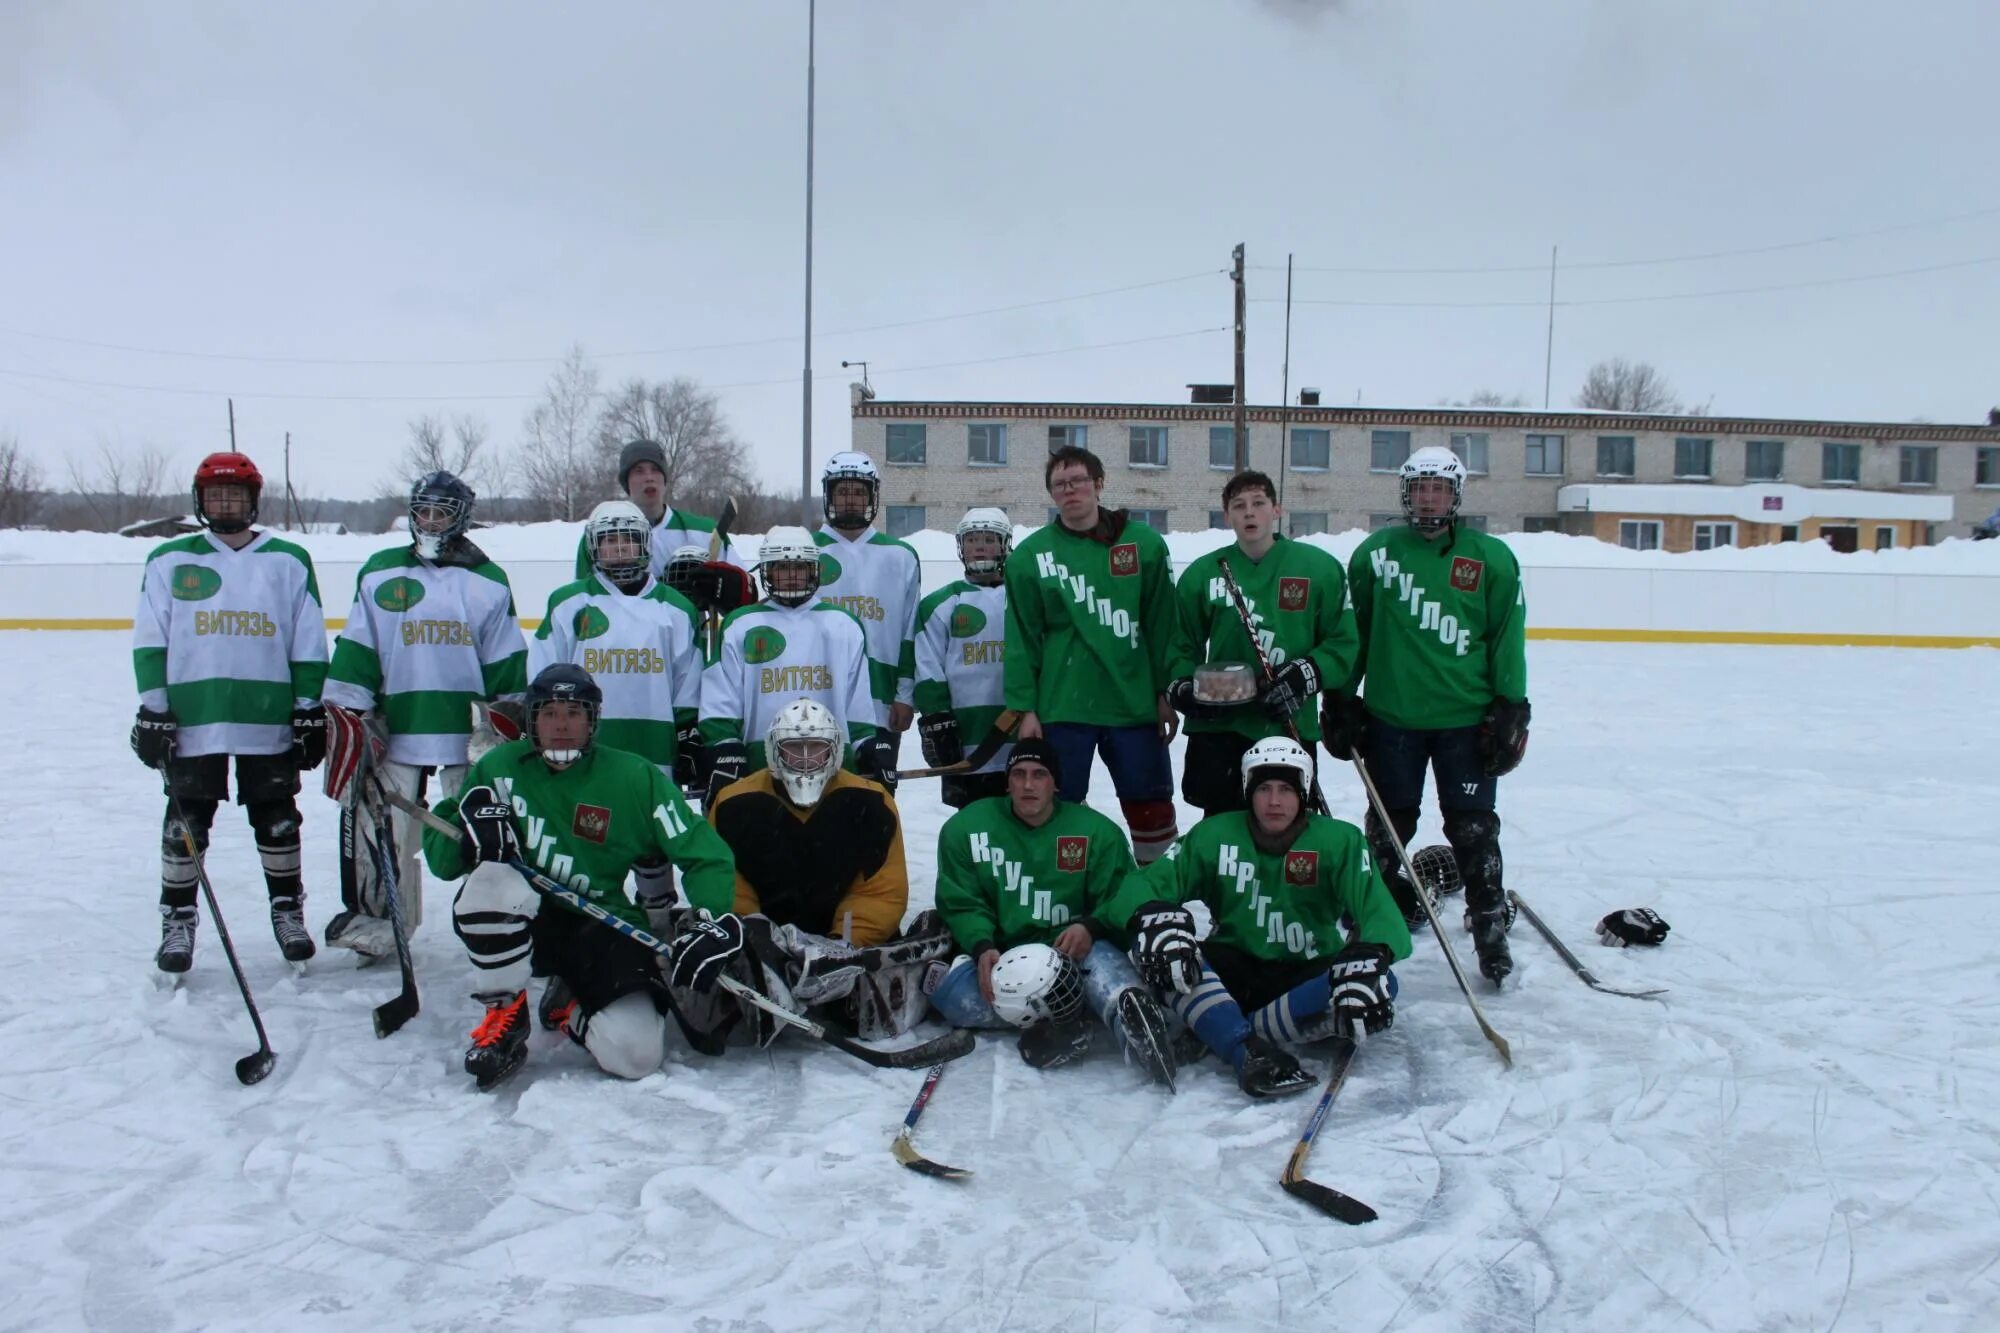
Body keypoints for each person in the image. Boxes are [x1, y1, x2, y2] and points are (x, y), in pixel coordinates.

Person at [427, 664, 738, 1089]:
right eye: (549, 713)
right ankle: (505, 1010)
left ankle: (565, 1007)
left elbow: (705, 855)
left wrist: (709, 917)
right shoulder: (499, 768)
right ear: (531, 719)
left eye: (574, 712)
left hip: (601, 922)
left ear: (593, 720)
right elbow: (443, 861)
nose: (561, 725)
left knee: (636, 1056)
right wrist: (466, 840)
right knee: (489, 883)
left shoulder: (634, 777)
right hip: (526, 918)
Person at [1321, 446, 1529, 983]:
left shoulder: (1491, 558)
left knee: (1475, 830)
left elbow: (1506, 639)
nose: (1427, 498)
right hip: (1394, 721)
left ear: (1455, 494)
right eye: (1419, 488)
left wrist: (1511, 706)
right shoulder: (1375, 554)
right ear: (1405, 493)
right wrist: (1343, 695)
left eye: (1438, 488)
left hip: (1466, 722)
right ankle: (1370, 925)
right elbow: (1356, 633)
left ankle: (1489, 930)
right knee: (1388, 830)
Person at [1102, 738, 1412, 1097]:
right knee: (1164, 953)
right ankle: (1244, 1047)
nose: (1275, 801)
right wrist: (1150, 915)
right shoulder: (1214, 835)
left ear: (1305, 792)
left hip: (1307, 973)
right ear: (1248, 790)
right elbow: (1142, 886)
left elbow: (1379, 910)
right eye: (1264, 788)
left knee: (1380, 982)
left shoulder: (1340, 840)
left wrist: (1372, 954)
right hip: (1232, 969)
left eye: (1285, 789)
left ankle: (1221, 1025)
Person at [131, 451, 328, 972]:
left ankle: (288, 912)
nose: (225, 503)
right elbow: (151, 639)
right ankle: (178, 920)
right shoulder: (169, 561)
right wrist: (154, 709)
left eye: (235, 495)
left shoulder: (288, 560)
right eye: (215, 495)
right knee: (185, 823)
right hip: (195, 717)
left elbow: (308, 640)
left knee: (279, 819)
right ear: (200, 500)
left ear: (253, 501)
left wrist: (308, 708)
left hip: (267, 716)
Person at [321, 471, 529, 960]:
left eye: (442, 512)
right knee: (380, 830)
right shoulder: (379, 571)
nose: (431, 521)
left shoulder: (487, 580)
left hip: (468, 732)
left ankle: (495, 919)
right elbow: (360, 647)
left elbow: (505, 662)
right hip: (397, 726)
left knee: (482, 829)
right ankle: (381, 923)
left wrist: (509, 721)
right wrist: (351, 711)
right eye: (423, 511)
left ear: (462, 518)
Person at [697, 698, 950, 1042]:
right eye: (793, 748)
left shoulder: (872, 801)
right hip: (768, 940)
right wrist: (758, 939)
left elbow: (881, 891)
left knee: (878, 1013)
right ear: (774, 751)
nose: (804, 759)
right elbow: (727, 884)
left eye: (815, 748)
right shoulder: (733, 803)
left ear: (834, 752)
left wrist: (840, 946)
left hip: (848, 946)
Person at [928, 740, 1177, 1084]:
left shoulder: (1097, 832)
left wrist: (1091, 926)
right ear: (1008, 782)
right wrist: (981, 944)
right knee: (954, 999)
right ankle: (1071, 1016)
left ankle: (1135, 1018)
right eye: (1019, 774)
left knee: (1103, 964)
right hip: (1006, 958)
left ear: (1056, 783)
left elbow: (1122, 897)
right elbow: (961, 900)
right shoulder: (967, 828)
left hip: (1074, 953)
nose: (1028, 785)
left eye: (1039, 775)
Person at [1003, 445, 1180, 865]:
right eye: (1060, 484)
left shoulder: (1144, 546)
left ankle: (1156, 890)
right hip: (1063, 705)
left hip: (1133, 704)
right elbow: (1022, 638)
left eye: (1078, 480)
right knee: (1059, 807)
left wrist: (1166, 691)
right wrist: (1024, 708)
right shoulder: (1030, 557)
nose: (1070, 490)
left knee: (1150, 804)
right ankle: (1062, 890)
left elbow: (1164, 627)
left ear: (1099, 484)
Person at [1166, 470, 1358, 819]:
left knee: (1285, 825)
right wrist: (1181, 686)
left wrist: (1307, 674)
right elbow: (1180, 642)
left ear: (1277, 510)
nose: (1249, 513)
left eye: (1258, 503)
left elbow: (1343, 641)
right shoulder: (1203, 573)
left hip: (1287, 724)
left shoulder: (1319, 569)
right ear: (1227, 516)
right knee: (1222, 826)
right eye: (1239, 506)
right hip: (1221, 728)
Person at [699, 526, 885, 804]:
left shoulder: (843, 625)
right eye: (781, 568)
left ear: (814, 570)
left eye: (799, 567)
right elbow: (720, 699)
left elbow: (858, 704)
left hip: (833, 767)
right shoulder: (741, 624)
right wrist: (725, 748)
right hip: (758, 767)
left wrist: (867, 746)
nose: (791, 576)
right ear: (767, 571)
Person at [813, 452, 921, 762]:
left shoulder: (900, 556)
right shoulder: (805, 551)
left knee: (875, 801)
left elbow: (909, 631)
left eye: (859, 492)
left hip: (880, 706)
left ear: (872, 496)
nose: (851, 500)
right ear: (829, 495)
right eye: (843, 491)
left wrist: (904, 696)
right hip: (817, 704)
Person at [569, 438, 752, 612]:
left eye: (655, 469)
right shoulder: (600, 535)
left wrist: (727, 588)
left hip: (687, 642)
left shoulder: (704, 532)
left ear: (664, 479)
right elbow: (582, 600)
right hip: (618, 643)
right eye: (639, 470)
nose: (649, 477)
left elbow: (748, 596)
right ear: (627, 482)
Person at [913, 507, 1014, 808]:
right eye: (971, 540)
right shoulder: (940, 603)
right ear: (961, 546)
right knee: (974, 827)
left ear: (1004, 544)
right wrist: (936, 718)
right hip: (966, 737)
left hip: (1020, 734)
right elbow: (927, 666)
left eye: (988, 539)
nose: (979, 546)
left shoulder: (1025, 596)